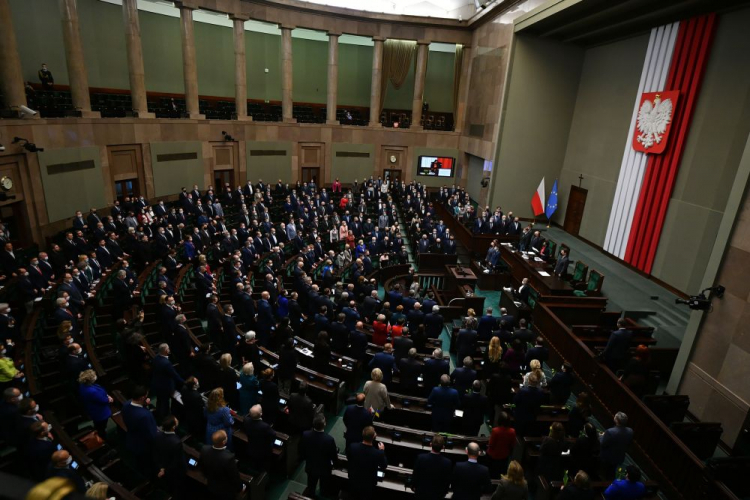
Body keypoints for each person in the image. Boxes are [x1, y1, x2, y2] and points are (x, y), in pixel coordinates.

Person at [300, 413, 339, 498]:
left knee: (311, 485)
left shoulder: (305, 435)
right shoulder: (329, 439)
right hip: (324, 468)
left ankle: (311, 496)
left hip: (311, 466)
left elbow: (302, 450)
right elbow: (333, 456)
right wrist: (335, 465)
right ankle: (322, 493)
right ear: (324, 424)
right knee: (324, 486)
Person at [199, 430, 245, 500]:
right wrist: (241, 488)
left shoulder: (204, 449)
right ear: (224, 442)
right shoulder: (228, 458)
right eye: (226, 436)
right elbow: (234, 476)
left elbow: (202, 467)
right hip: (225, 491)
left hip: (211, 485)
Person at [121, 386, 157, 474]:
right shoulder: (145, 416)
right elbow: (151, 435)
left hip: (132, 438)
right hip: (144, 446)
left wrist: (144, 405)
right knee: (147, 464)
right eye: (146, 396)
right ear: (142, 398)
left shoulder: (126, 405)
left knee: (139, 461)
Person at [347, 426, 387, 500]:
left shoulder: (352, 447)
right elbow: (384, 465)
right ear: (374, 437)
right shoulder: (378, 453)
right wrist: (382, 451)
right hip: (369, 484)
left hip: (354, 480)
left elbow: (349, 458)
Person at [153, 415, 187, 498]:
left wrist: (162, 468)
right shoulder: (176, 442)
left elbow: (156, 453)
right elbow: (177, 461)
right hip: (174, 472)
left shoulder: (158, 436)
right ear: (173, 427)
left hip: (163, 464)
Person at [412, 434, 453, 500]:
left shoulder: (421, 458)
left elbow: (415, 475)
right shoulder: (447, 463)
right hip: (437, 496)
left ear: (430, 444)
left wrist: (414, 487)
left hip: (421, 494)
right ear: (443, 447)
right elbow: (446, 481)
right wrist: (444, 493)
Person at [151, 343, 184, 420]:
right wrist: (184, 382)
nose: (169, 350)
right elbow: (174, 375)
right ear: (166, 351)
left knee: (159, 401)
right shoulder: (166, 363)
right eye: (168, 348)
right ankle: (164, 418)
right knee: (165, 403)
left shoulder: (156, 358)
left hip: (157, 384)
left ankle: (159, 415)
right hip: (165, 386)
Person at [77, 369, 113, 440]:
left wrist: (106, 395)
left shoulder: (83, 385)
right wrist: (108, 399)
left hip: (93, 409)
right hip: (100, 413)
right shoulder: (92, 391)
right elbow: (102, 400)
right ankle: (102, 438)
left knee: (98, 425)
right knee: (101, 427)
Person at [600, 412, 634, 479]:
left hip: (607, 457)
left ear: (616, 420)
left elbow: (602, 443)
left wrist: (602, 436)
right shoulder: (630, 431)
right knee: (612, 471)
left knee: (603, 472)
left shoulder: (610, 432)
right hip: (619, 456)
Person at [244, 404, 276, 472]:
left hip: (251, 447)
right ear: (261, 414)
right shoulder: (265, 426)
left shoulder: (246, 420)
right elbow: (273, 434)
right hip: (264, 451)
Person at [513, 371, 545, 436]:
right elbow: (541, 402)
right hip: (533, 415)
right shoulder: (540, 392)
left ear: (529, 381)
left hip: (521, 413)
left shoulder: (522, 390)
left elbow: (515, 401)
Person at [487, 411, 516, 478]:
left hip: (493, 456)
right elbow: (513, 444)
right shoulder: (512, 431)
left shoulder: (495, 431)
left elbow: (491, 445)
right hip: (504, 456)